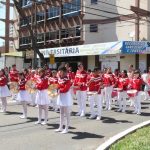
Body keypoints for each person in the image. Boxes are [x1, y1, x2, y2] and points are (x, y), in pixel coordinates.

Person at [55, 67, 72, 134]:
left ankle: (67, 128)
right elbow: (58, 86)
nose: (59, 72)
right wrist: (57, 89)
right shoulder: (60, 78)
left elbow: (66, 89)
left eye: (61, 71)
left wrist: (59, 90)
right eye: (59, 71)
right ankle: (60, 127)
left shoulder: (67, 79)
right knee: (61, 113)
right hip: (61, 96)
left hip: (65, 96)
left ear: (64, 71)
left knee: (67, 113)